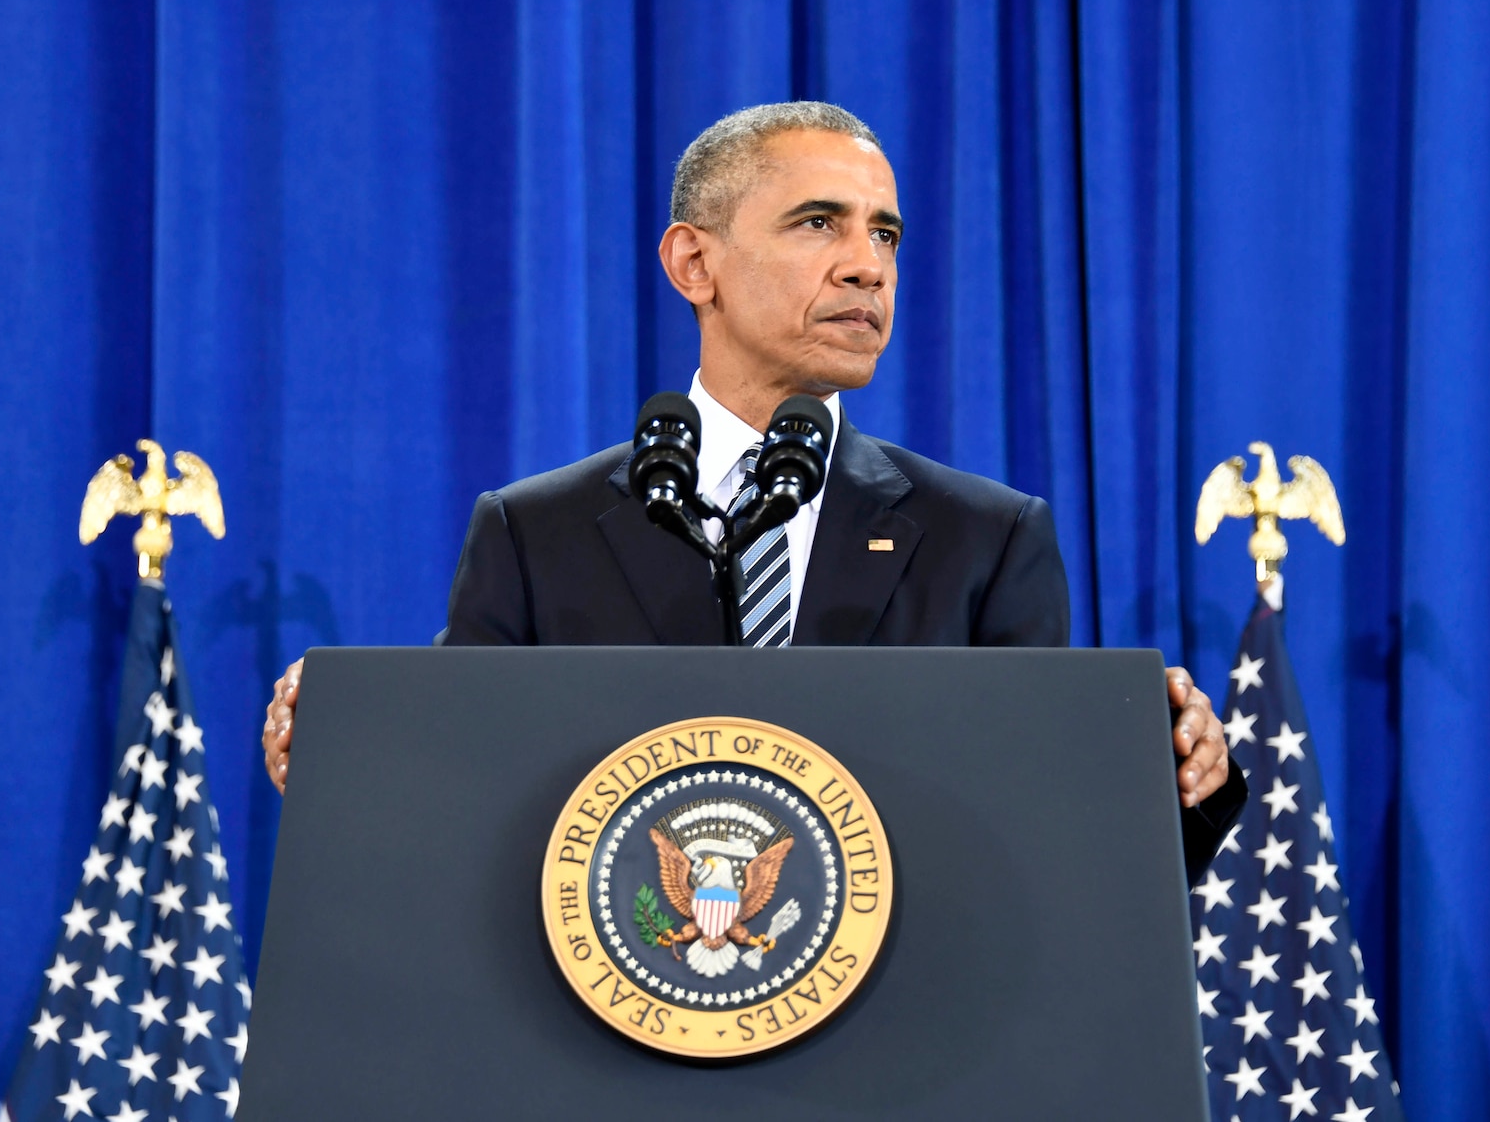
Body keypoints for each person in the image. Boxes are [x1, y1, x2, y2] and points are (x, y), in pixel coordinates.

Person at [262, 101, 1245, 876]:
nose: (868, 265)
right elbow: (453, 804)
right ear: (695, 261)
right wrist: (350, 750)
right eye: (820, 223)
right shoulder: (534, 532)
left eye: (886, 235)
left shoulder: (981, 537)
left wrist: (1172, 775)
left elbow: (1047, 840)